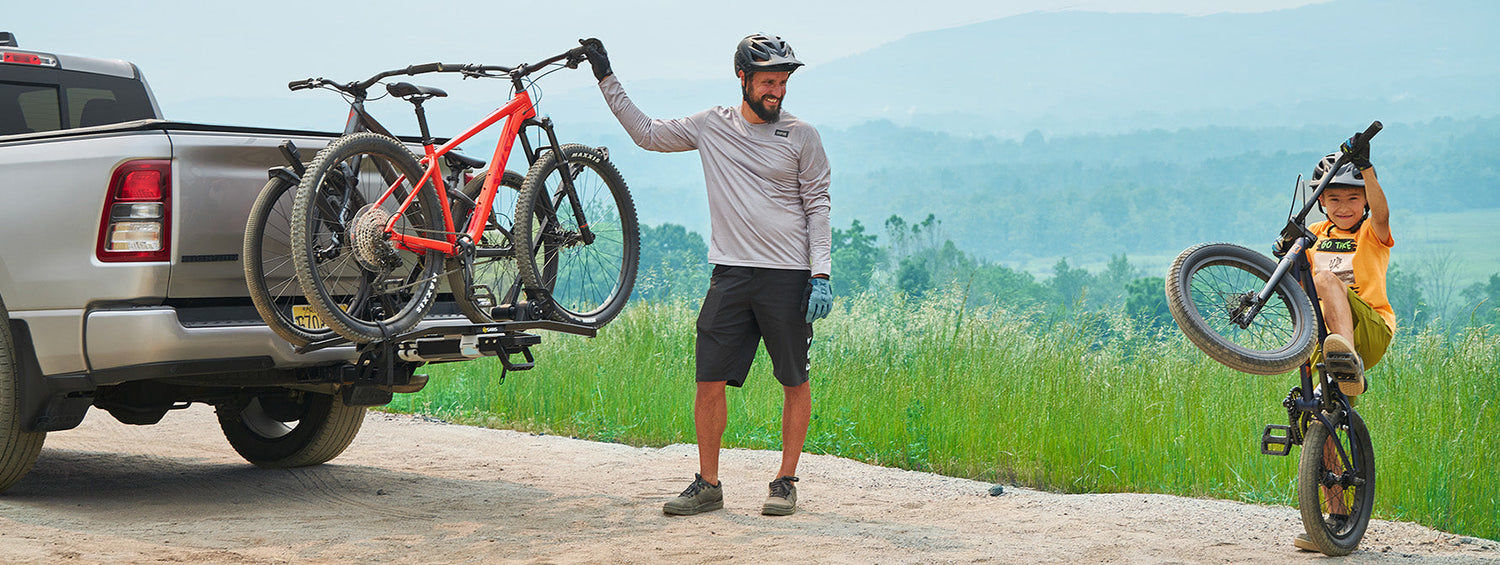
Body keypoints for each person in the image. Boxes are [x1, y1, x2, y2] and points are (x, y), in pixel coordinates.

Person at [579, 34, 833, 517]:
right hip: (731, 276)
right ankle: (709, 484)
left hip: (789, 277)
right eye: (767, 83)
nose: (776, 92)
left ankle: (784, 482)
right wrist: (605, 77)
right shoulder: (711, 125)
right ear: (743, 79)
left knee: (794, 380)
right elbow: (648, 134)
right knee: (708, 379)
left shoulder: (803, 136)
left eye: (781, 83)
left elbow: (818, 203)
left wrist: (820, 273)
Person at [1293, 135, 1394, 552]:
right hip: (1326, 339)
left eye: (1353, 198)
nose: (1344, 207)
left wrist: (1367, 168)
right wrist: (1286, 249)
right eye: (1333, 198)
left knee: (1324, 279)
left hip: (1369, 328)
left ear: (1364, 202)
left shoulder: (1372, 231)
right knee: (1322, 418)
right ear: (1321, 203)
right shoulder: (1315, 233)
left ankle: (1347, 359)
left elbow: (1384, 214)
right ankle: (1334, 519)